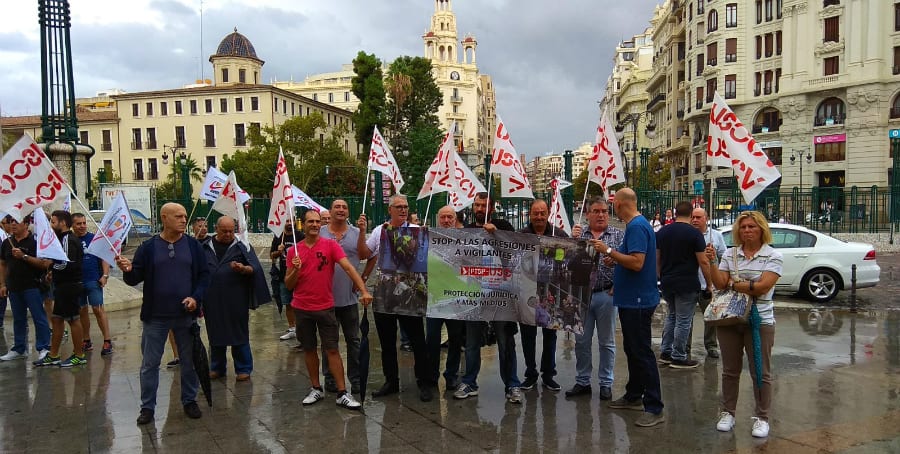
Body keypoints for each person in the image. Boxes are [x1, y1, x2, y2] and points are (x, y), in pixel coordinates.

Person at [116, 203, 210, 425]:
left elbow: (204, 276)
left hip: (185, 315)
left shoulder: (193, 246)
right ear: (164, 218)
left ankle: (189, 400)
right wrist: (127, 270)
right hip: (155, 316)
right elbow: (134, 278)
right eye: (178, 216)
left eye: (185, 216)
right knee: (150, 363)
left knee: (189, 361)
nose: (183, 220)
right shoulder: (148, 247)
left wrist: (195, 298)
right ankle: (147, 407)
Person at [590, 188, 664, 427]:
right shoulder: (638, 226)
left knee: (642, 352)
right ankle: (634, 394)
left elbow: (638, 262)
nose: (612, 209)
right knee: (632, 350)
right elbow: (630, 257)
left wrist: (608, 251)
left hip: (638, 301)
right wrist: (617, 258)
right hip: (632, 299)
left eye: (613, 204)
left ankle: (654, 407)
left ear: (621, 204)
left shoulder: (635, 227)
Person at [705, 211, 783, 438]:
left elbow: (763, 288)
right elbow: (719, 283)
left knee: (761, 370)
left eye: (752, 226)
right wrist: (711, 261)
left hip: (760, 320)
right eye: (743, 227)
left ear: (762, 230)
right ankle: (728, 412)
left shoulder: (773, 256)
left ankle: (762, 417)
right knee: (730, 370)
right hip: (729, 318)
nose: (747, 230)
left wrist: (734, 282)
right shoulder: (731, 254)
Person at [285, 209, 371, 410]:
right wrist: (295, 269)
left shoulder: (330, 245)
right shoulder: (293, 251)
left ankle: (342, 392)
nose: (314, 225)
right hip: (302, 307)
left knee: (332, 348)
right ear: (303, 225)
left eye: (317, 221)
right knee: (309, 349)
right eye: (310, 222)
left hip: (325, 307)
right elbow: (289, 285)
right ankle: (316, 387)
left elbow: (349, 268)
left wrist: (363, 290)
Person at [358, 194, 434, 402]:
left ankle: (424, 382)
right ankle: (391, 381)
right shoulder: (380, 231)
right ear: (390, 210)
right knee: (387, 342)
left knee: (418, 340)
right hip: (385, 295)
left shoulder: (418, 232)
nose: (403, 210)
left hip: (411, 293)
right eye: (398, 207)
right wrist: (363, 232)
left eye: (406, 207)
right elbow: (364, 253)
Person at [458, 192, 524, 404]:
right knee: (471, 343)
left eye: (484, 205)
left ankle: (512, 385)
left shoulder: (504, 226)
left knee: (506, 343)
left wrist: (496, 234)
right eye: (477, 205)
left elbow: (516, 253)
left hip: (501, 296)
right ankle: (469, 382)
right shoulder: (467, 230)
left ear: (492, 208)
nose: (479, 209)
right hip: (475, 295)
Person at [567, 197, 623, 400]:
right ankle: (583, 381)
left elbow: (627, 262)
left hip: (606, 294)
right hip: (582, 295)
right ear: (588, 213)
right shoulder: (579, 234)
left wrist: (617, 274)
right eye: (596, 211)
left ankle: (606, 383)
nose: (601, 215)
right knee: (581, 341)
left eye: (604, 211)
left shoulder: (618, 235)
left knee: (607, 342)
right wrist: (572, 241)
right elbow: (565, 262)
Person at [203, 216, 269, 381]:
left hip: (236, 298)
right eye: (224, 231)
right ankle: (217, 367)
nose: (228, 234)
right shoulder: (205, 246)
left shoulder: (242, 247)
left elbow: (255, 268)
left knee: (239, 333)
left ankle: (243, 368)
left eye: (231, 231)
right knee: (215, 333)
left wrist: (244, 269)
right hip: (212, 298)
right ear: (216, 229)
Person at [319, 199, 368, 395]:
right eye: (337, 207)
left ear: (349, 212)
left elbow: (367, 255)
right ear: (330, 211)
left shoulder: (356, 233)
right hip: (325, 299)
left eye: (344, 207)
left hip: (349, 298)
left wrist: (362, 279)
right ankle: (330, 378)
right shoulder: (320, 233)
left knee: (353, 340)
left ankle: (355, 379)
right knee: (328, 342)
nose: (341, 210)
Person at [517, 199, 567, 392]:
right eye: (535, 213)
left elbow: (569, 259)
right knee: (527, 336)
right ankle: (530, 374)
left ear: (548, 214)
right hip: (526, 293)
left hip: (550, 293)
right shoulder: (520, 236)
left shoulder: (559, 234)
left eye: (542, 212)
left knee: (550, 336)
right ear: (530, 215)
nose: (539, 216)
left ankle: (548, 375)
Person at [656, 201, 712, 369]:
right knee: (683, 320)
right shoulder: (694, 235)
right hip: (687, 282)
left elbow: (657, 258)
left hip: (667, 281)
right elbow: (703, 261)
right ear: (690, 214)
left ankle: (665, 352)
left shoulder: (662, 232)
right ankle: (679, 356)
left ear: (675, 213)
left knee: (672, 316)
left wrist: (660, 276)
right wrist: (709, 284)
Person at [33, 211, 87, 367]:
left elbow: (66, 263)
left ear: (62, 223)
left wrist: (49, 265)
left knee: (73, 319)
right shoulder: (62, 239)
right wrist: (52, 273)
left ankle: (79, 354)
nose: (51, 225)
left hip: (70, 286)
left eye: (53, 222)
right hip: (62, 286)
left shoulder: (68, 239)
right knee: (56, 319)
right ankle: (53, 354)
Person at [0, 215, 52, 362]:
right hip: (14, 287)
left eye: (16, 222)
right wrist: (3, 284)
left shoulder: (35, 242)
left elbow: (44, 263)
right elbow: (3, 264)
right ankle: (19, 347)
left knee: (38, 317)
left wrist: (24, 256)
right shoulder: (6, 243)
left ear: (27, 224)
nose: (13, 225)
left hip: (33, 286)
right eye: (11, 222)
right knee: (18, 318)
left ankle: (44, 347)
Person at [425, 205, 465, 392]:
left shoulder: (464, 239)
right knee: (432, 340)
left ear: (455, 219)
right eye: (443, 217)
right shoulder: (428, 238)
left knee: (456, 340)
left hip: (456, 299)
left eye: (450, 217)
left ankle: (451, 376)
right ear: (437, 219)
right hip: (434, 299)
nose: (446, 220)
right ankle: (431, 377)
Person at [72, 213, 113, 356]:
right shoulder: (70, 240)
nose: (82, 226)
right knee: (82, 310)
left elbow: (105, 257)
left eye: (84, 223)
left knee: (98, 309)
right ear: (72, 225)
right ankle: (86, 339)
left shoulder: (94, 239)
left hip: (93, 280)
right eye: (78, 223)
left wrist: (105, 275)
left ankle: (107, 340)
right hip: (77, 281)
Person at [688, 208, 727, 359]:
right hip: (691, 283)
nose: (695, 220)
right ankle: (685, 347)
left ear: (706, 218)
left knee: (711, 317)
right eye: (693, 217)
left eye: (698, 217)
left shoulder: (715, 236)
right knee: (687, 319)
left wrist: (713, 258)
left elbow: (724, 256)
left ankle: (711, 345)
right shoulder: (688, 234)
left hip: (708, 285)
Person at [271, 225, 302, 342]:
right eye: (287, 220)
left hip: (299, 276)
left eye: (291, 220)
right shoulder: (278, 236)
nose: (289, 222)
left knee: (300, 303)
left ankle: (302, 328)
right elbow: (271, 256)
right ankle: (292, 328)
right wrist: (278, 252)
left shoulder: (300, 236)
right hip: (283, 275)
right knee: (288, 303)